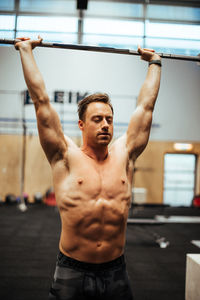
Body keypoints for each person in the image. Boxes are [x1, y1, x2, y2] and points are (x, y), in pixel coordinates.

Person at [15, 36, 161, 300]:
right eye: (97, 119)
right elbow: (41, 101)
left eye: (109, 119)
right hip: (72, 271)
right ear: (82, 125)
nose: (105, 124)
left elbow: (146, 107)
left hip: (116, 270)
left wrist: (155, 63)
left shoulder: (125, 154)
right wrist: (26, 51)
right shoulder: (64, 156)